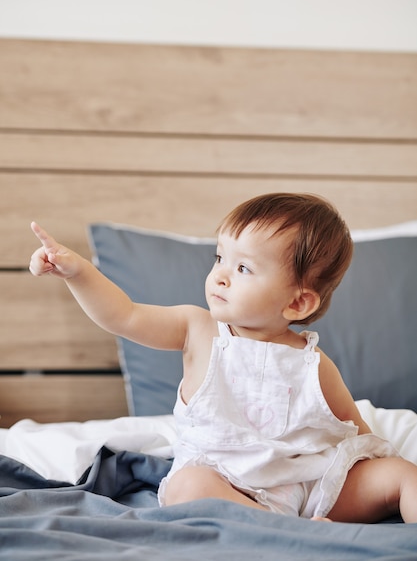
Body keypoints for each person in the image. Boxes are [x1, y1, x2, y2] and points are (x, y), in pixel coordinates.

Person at [29, 192, 417, 522]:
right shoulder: (197, 329)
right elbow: (124, 315)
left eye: (243, 267)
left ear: (298, 302)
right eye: (220, 258)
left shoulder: (313, 364)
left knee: (403, 474)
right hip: (221, 483)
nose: (220, 276)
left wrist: (379, 472)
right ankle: (284, 530)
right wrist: (77, 273)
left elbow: (357, 435)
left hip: (303, 490)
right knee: (187, 486)